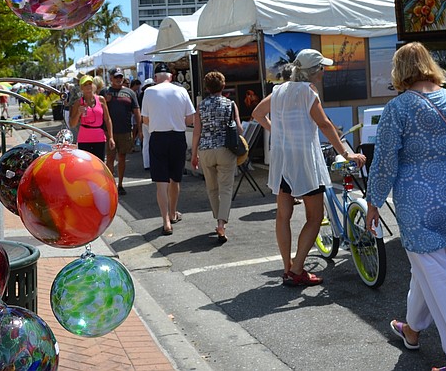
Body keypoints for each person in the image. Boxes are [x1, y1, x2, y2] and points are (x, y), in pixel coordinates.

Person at [365, 42, 446, 371]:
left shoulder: (399, 108)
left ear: (400, 71)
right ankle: (412, 330)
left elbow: (385, 161)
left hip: (418, 205)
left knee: (438, 274)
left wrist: (374, 201)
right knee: (429, 269)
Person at [252, 48, 365, 287]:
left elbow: (257, 114)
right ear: (314, 72)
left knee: (283, 216)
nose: (323, 72)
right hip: (304, 160)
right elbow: (323, 124)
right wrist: (346, 152)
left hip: (282, 160)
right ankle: (297, 269)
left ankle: (287, 268)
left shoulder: (279, 90)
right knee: (315, 216)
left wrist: (278, 132)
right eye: (321, 68)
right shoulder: (308, 92)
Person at [141, 63, 195, 236]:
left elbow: (145, 119)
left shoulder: (149, 92)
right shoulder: (181, 91)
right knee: (175, 179)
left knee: (161, 183)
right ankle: (172, 213)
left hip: (158, 137)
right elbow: (190, 118)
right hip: (177, 136)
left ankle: (165, 220)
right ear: (170, 77)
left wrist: (160, 121)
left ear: (156, 78)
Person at [191, 71, 242, 243]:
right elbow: (239, 129)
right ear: (223, 85)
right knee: (226, 188)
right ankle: (222, 223)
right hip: (225, 149)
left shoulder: (201, 106)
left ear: (206, 87)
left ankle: (217, 218)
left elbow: (196, 132)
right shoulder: (230, 104)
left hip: (205, 150)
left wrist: (193, 155)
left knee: (212, 188)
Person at [101, 67, 141, 195]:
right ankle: (110, 184)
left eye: (120, 77)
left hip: (125, 130)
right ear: (111, 78)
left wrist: (139, 130)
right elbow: (96, 109)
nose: (118, 79)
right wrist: (104, 102)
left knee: (122, 157)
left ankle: (120, 184)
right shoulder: (104, 92)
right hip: (109, 132)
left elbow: (136, 111)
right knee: (110, 158)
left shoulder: (130, 93)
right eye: (116, 77)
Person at [70, 75, 114, 161]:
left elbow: (107, 119)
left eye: (90, 83)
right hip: (84, 139)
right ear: (81, 87)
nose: (88, 86)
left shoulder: (101, 100)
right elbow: (72, 124)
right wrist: (78, 112)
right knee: (85, 167)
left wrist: (111, 137)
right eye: (85, 84)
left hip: (99, 138)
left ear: (93, 85)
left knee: (99, 165)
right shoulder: (78, 103)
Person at [139, 78, 155, 170]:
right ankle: (152, 162)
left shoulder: (142, 95)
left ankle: (147, 164)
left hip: (143, 119)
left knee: (146, 142)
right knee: (153, 141)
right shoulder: (152, 94)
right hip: (151, 119)